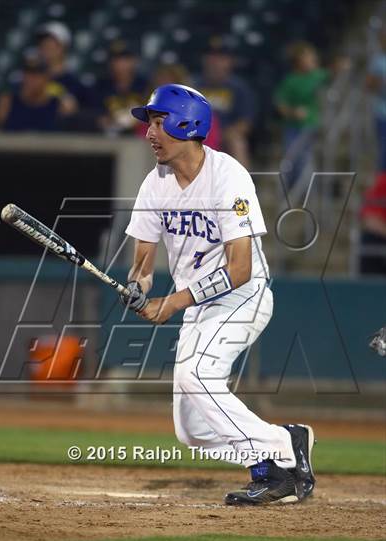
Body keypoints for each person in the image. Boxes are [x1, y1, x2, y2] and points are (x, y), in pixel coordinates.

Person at [120, 83, 316, 505]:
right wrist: (137, 287)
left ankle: (277, 460)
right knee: (191, 430)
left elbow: (240, 269)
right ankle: (281, 448)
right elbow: (142, 263)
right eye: (150, 123)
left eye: (158, 121)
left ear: (187, 123)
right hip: (198, 307)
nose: (150, 132)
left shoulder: (229, 176)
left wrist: (171, 302)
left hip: (242, 297)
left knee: (196, 377)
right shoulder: (155, 185)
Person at [275, 42, 328, 191]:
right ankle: (291, 189)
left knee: (306, 158)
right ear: (298, 60)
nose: (311, 60)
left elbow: (334, 77)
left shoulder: (320, 75)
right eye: (307, 57)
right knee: (292, 158)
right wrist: (293, 112)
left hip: (312, 126)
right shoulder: (291, 80)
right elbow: (281, 105)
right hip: (293, 127)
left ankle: (307, 191)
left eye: (312, 57)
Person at [195, 37, 256, 167]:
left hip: (225, 136)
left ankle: (243, 186)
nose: (215, 62)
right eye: (211, 57)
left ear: (229, 62)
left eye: (221, 58)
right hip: (195, 135)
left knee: (238, 143)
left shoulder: (239, 88)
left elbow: (245, 123)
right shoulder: (193, 85)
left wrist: (222, 134)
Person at [135, 63, 222, 150]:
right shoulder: (148, 114)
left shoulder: (200, 113)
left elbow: (209, 147)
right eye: (160, 83)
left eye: (169, 83)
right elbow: (141, 143)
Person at [0, 55, 76, 132]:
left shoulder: (59, 106)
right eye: (28, 73)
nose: (31, 79)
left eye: (36, 75)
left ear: (47, 78)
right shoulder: (8, 104)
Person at [92, 39, 148, 135]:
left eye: (125, 59)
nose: (121, 64)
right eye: (116, 60)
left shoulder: (145, 86)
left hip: (138, 140)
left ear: (134, 61)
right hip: (107, 138)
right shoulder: (100, 87)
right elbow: (93, 113)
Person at [36, 21, 89, 108]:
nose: (46, 48)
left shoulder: (75, 84)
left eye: (51, 44)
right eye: (43, 44)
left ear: (64, 47)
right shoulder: (31, 79)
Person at [366, 29, 386, 172]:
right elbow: (369, 85)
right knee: (384, 149)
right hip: (382, 112)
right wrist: (379, 82)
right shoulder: (378, 61)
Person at [359, 172, 386, 275]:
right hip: (381, 238)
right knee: (370, 240)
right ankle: (369, 287)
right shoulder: (383, 182)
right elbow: (370, 220)